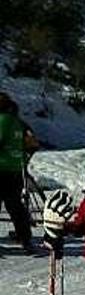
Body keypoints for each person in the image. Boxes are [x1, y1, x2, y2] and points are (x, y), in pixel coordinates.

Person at [0, 92, 35, 251]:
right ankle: (25, 237)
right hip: (14, 171)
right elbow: (32, 144)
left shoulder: (2, 121)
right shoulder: (18, 123)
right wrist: (22, 159)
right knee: (15, 206)